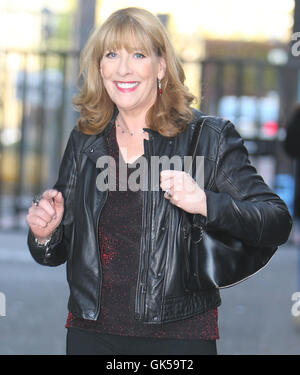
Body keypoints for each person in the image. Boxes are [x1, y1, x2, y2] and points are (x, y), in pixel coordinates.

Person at [26, 7, 292, 355]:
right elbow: (57, 251)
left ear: (161, 66)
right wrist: (45, 234)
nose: (123, 68)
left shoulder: (207, 138)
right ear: (100, 67)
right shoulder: (85, 139)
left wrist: (206, 203)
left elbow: (276, 220)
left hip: (180, 338)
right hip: (90, 334)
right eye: (111, 55)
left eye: (138, 54)